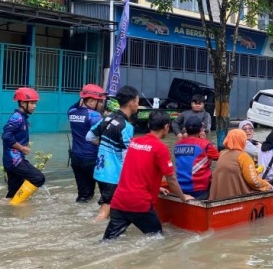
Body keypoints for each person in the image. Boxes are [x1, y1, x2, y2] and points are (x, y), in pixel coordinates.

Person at [103, 111, 193, 240]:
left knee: (108, 242)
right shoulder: (160, 148)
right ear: (166, 127)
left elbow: (136, 170)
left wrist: (157, 187)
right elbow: (171, 178)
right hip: (139, 204)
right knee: (159, 240)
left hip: (118, 201)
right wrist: (182, 197)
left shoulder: (134, 142)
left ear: (149, 124)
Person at [87, 86, 139, 221]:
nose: (138, 105)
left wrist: (105, 144)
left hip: (100, 171)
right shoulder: (127, 127)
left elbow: (89, 137)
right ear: (132, 103)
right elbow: (127, 156)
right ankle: (89, 235)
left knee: (110, 207)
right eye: (138, 101)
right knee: (104, 212)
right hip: (113, 175)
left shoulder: (107, 118)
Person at [1, 87, 46, 199]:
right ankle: (17, 204)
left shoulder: (22, 118)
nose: (34, 106)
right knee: (38, 178)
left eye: (35, 103)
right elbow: (6, 136)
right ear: (22, 103)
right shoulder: (17, 118)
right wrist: (22, 148)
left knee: (13, 192)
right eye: (31, 103)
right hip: (14, 160)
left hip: (12, 160)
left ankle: (12, 210)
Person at [209, 129, 273, 200]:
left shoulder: (222, 153)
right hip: (236, 197)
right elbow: (252, 180)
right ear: (242, 140)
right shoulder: (243, 156)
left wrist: (256, 171)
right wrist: (266, 185)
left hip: (218, 197)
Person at [68, 84, 106, 203]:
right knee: (105, 194)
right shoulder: (94, 115)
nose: (100, 105)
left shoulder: (72, 112)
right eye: (99, 102)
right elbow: (102, 137)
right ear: (90, 101)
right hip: (91, 159)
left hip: (76, 159)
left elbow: (73, 106)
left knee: (84, 195)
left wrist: (83, 95)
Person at [174, 116, 220, 200]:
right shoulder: (205, 144)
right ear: (201, 130)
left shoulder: (177, 145)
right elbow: (218, 157)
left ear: (186, 130)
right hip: (199, 189)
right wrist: (205, 140)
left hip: (180, 187)